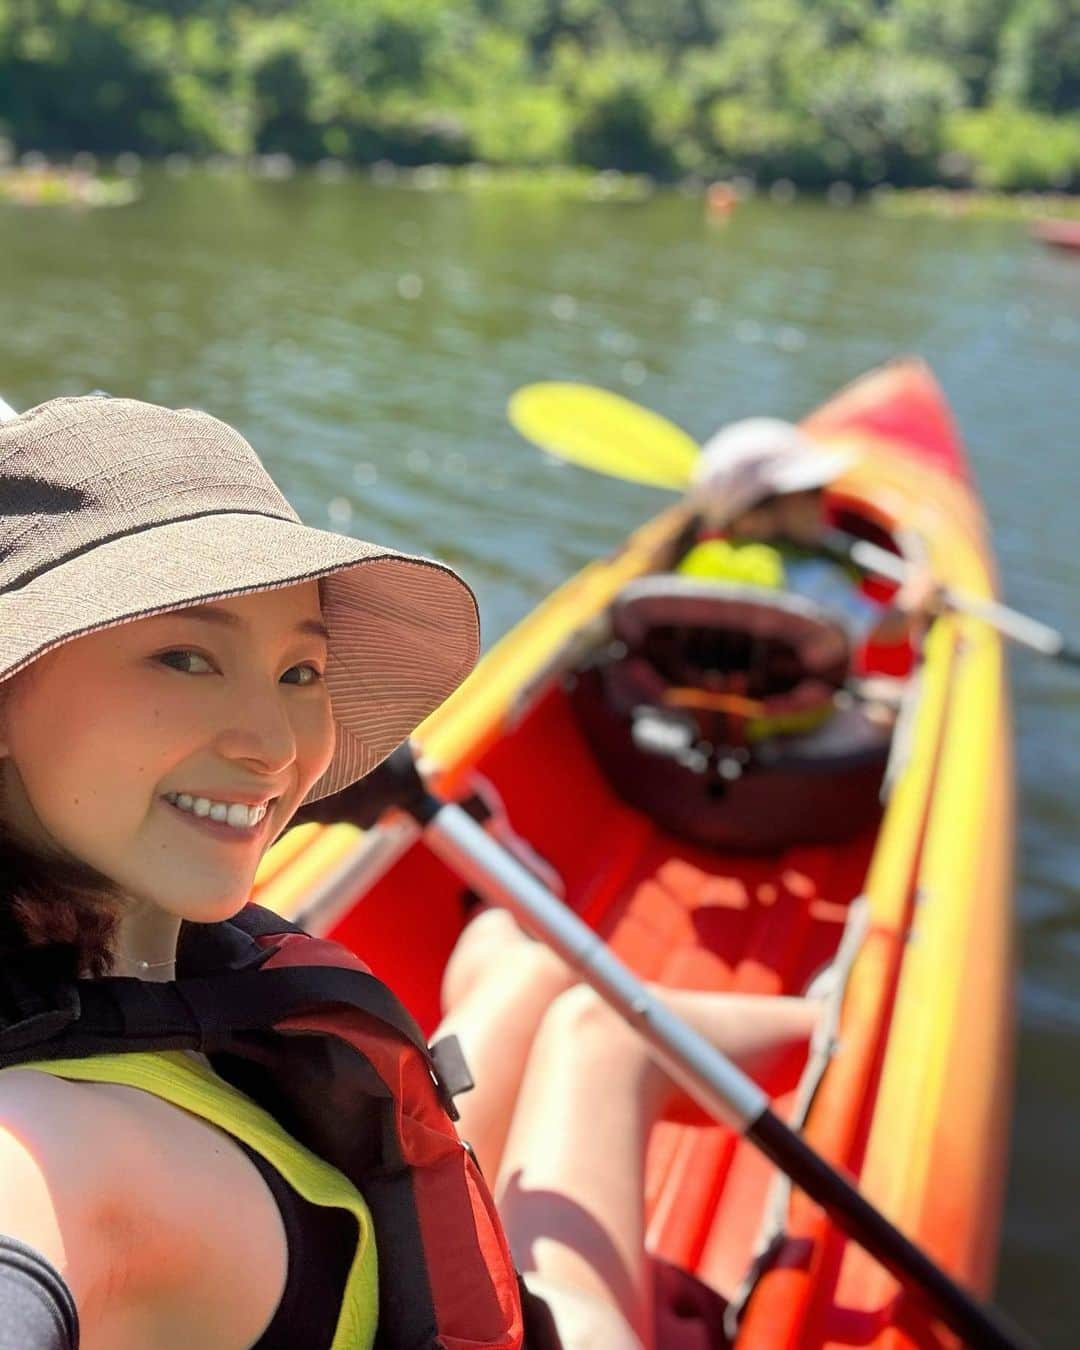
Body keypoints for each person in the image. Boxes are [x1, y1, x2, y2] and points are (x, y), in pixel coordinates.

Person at [0, 393, 819, 1350]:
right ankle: (841, 1020)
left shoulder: (116, 940)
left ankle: (514, 954)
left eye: (300, 673)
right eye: (184, 658)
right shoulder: (42, 1163)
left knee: (537, 965)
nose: (275, 747)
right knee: (606, 1042)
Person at [678, 417, 941, 651]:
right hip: (792, 704)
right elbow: (888, 629)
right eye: (813, 492)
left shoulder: (701, 563)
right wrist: (920, 589)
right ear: (754, 520)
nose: (825, 501)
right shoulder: (812, 577)